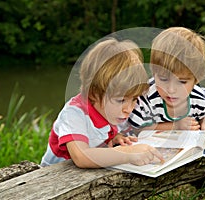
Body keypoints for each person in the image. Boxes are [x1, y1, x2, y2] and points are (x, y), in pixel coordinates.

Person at [41, 38, 164, 168]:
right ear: (94, 92)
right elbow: (81, 157)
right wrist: (127, 153)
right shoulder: (73, 114)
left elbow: (99, 135)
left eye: (134, 99)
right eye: (121, 100)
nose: (129, 109)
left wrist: (115, 137)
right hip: (54, 178)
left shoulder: (108, 111)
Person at [128, 27, 205, 132]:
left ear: (196, 80)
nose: (171, 89)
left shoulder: (200, 98)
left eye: (182, 82)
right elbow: (135, 129)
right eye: (163, 79)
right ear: (154, 73)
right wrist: (174, 126)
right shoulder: (145, 99)